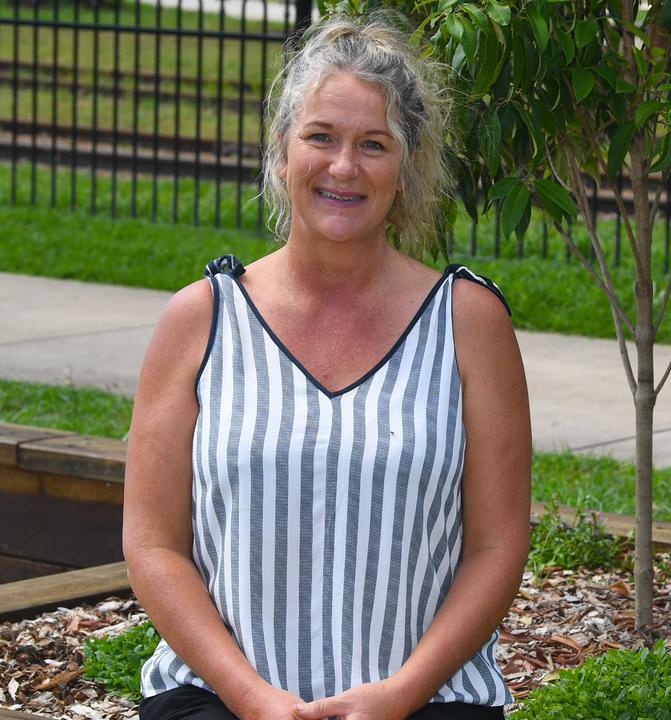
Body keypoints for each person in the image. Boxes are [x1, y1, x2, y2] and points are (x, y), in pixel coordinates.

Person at [122, 12, 531, 720]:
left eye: (373, 144)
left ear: (405, 170)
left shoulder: (469, 322)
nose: (344, 167)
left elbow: (497, 545)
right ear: (282, 150)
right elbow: (154, 544)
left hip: (428, 700)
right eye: (320, 137)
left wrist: (399, 695)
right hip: (219, 700)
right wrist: (252, 698)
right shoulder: (200, 319)